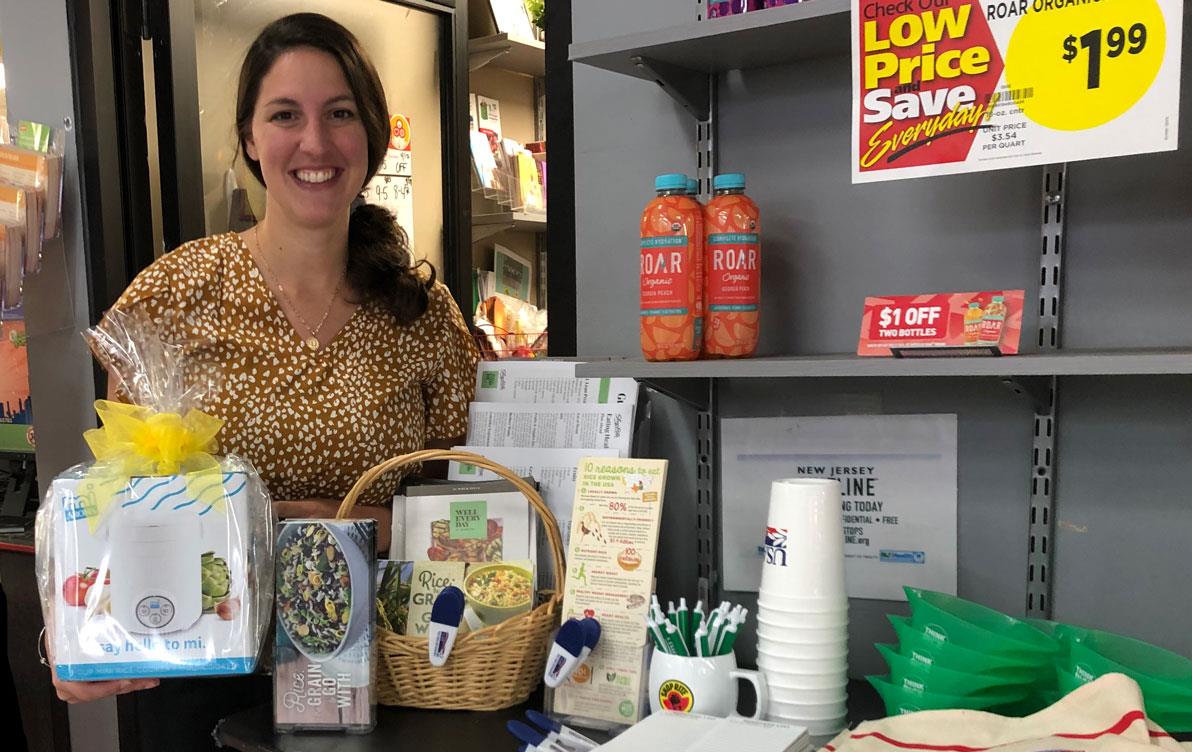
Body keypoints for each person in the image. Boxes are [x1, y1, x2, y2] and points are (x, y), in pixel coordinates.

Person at [47, 12, 478, 748]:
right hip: (195, 673)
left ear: (370, 133)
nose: (315, 142)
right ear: (249, 138)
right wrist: (70, 635)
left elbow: (463, 527)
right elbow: (113, 507)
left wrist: (281, 520)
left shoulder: (424, 315)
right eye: (285, 115)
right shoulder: (175, 294)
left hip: (380, 681)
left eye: (339, 114)